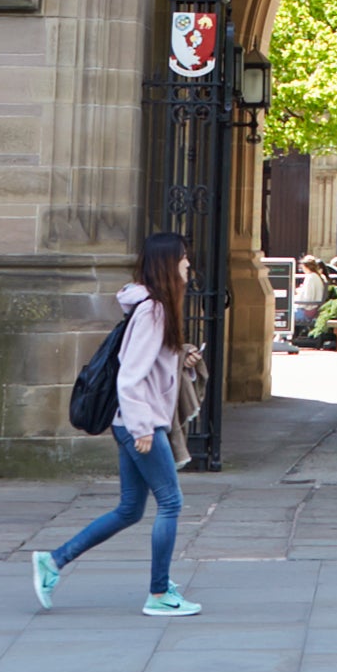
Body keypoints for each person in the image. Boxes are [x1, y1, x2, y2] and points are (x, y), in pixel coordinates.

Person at [33, 234, 202, 618]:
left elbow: (147, 364)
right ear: (168, 263)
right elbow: (129, 377)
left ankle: (54, 561)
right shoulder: (154, 310)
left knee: (129, 509)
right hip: (139, 423)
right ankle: (159, 594)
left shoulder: (149, 306)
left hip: (130, 421)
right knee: (171, 503)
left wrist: (182, 357)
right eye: (184, 259)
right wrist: (143, 428)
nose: (188, 266)